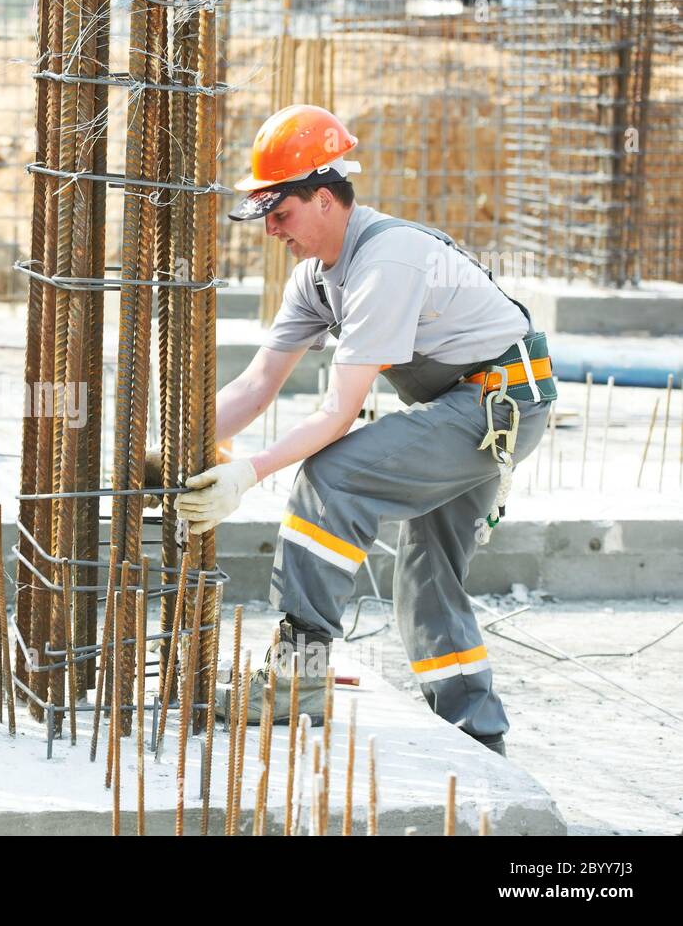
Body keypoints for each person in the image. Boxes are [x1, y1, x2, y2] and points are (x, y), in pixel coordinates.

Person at [175, 104, 556, 756]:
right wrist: (177, 444)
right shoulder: (315, 281)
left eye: (281, 212)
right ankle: (476, 728)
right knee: (428, 566)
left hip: (500, 401)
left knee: (333, 476)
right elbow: (257, 384)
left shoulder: (388, 261)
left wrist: (247, 472)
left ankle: (299, 677)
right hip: (470, 404)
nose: (271, 229)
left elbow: (337, 414)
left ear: (324, 199)